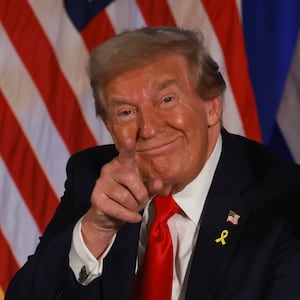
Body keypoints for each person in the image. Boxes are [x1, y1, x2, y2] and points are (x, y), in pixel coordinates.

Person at [5, 26, 300, 300]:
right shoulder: (92, 177)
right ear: (109, 127)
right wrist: (95, 231)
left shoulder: (285, 200)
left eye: (167, 100)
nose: (148, 128)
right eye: (126, 112)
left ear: (211, 106)